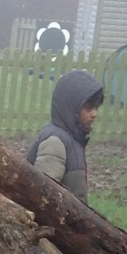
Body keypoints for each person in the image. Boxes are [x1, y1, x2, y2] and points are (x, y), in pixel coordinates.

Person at [25, 69, 105, 202]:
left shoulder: (72, 139)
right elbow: (42, 196)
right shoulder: (55, 142)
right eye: (89, 108)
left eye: (96, 108)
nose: (94, 114)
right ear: (71, 108)